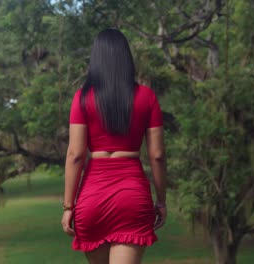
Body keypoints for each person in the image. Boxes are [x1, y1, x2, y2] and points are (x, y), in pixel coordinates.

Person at [61, 28, 167, 264]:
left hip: (92, 198)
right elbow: (157, 155)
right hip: (132, 197)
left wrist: (68, 206)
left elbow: (76, 155)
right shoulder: (146, 97)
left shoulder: (82, 98)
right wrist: (161, 201)